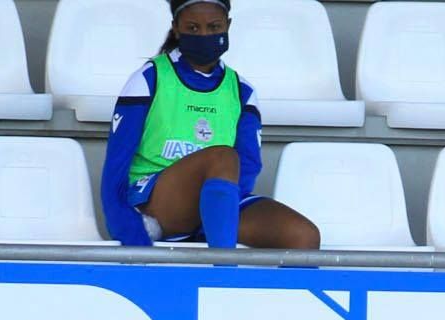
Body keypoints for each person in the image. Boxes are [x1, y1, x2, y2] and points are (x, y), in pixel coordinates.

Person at [98, 0, 319, 249]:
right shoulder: (149, 78)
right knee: (222, 157)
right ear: (176, 29)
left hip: (214, 202)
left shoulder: (241, 89)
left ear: (228, 26)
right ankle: (223, 272)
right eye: (193, 28)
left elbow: (247, 168)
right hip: (155, 201)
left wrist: (216, 215)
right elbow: (115, 168)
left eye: (214, 27)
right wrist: (130, 231)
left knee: (303, 236)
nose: (204, 34)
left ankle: (219, 239)